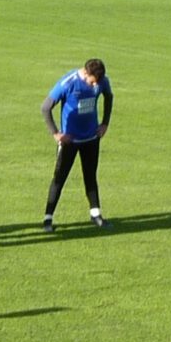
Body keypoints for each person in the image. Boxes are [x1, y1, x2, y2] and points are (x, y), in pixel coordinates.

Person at [42, 58, 114, 231]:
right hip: (70, 141)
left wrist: (105, 123)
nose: (94, 86)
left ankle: (95, 214)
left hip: (91, 138)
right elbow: (45, 107)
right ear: (86, 73)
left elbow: (109, 97)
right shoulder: (68, 82)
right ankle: (48, 219)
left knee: (90, 176)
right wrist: (56, 133)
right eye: (92, 81)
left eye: (97, 82)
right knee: (59, 178)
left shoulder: (102, 80)